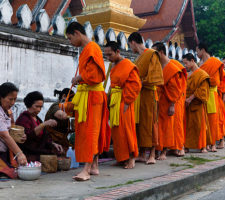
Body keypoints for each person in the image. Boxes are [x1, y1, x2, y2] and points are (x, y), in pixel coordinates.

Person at [66, 22, 111, 181]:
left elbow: (96, 76)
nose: (70, 42)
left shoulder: (92, 48)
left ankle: (85, 169)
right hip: (88, 95)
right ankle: (94, 165)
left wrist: (80, 77)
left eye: (70, 38)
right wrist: (80, 79)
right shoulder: (87, 49)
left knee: (89, 132)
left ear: (77, 33)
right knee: (91, 131)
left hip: (93, 97)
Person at [104, 41, 141, 169]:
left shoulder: (128, 65)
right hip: (114, 101)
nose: (108, 58)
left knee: (127, 130)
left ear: (118, 52)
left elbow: (135, 85)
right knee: (116, 132)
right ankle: (121, 158)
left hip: (124, 101)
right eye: (106, 55)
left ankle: (132, 158)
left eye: (110, 54)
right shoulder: (113, 65)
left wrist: (127, 101)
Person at [128, 32, 164, 164]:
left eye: (130, 45)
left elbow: (155, 76)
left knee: (151, 122)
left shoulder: (151, 54)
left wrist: (140, 82)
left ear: (133, 42)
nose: (130, 48)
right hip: (140, 94)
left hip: (149, 93)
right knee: (141, 124)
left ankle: (152, 155)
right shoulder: (139, 58)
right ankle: (143, 154)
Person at [152, 42, 187, 159]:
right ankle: (158, 149)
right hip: (158, 100)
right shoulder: (158, 65)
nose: (153, 56)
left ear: (161, 52)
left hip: (169, 101)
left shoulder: (172, 68)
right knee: (159, 126)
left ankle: (164, 151)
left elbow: (175, 89)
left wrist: (172, 104)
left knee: (167, 127)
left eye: (155, 53)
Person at [15, 91, 67, 162]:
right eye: (36, 106)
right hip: (29, 152)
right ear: (29, 105)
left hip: (39, 150)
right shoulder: (24, 119)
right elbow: (28, 137)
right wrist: (44, 124)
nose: (39, 110)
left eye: (40, 107)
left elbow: (45, 137)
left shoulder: (37, 119)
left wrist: (53, 144)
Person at [196, 43, 224, 152]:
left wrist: (204, 81)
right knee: (203, 120)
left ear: (203, 50)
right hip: (202, 93)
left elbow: (216, 81)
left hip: (212, 94)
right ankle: (205, 143)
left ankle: (212, 144)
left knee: (212, 120)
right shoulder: (199, 64)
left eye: (197, 51)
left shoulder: (215, 62)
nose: (197, 54)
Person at [182, 54, 211, 153]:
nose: (185, 65)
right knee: (187, 125)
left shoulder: (202, 74)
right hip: (186, 103)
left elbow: (203, 90)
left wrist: (191, 98)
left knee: (200, 124)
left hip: (197, 103)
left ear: (192, 61)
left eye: (186, 63)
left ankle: (203, 146)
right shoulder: (188, 74)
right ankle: (186, 146)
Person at [216, 69, 225, 149]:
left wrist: (222, 101)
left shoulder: (222, 73)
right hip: (209, 98)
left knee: (220, 121)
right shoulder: (205, 67)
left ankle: (222, 140)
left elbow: (224, 90)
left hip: (219, 99)